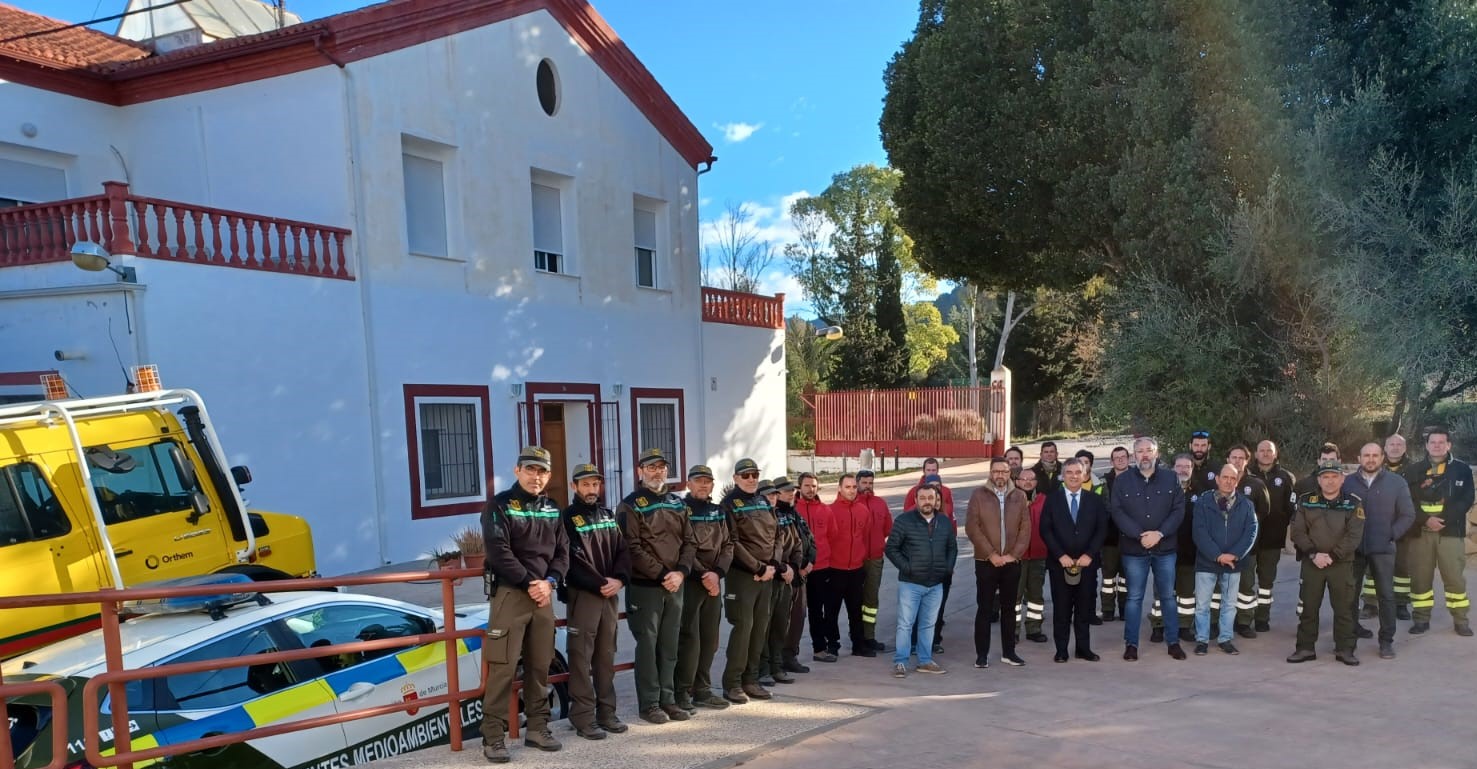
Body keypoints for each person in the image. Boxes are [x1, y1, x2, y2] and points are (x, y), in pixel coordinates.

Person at [479, 446, 570, 762]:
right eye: (530, 469)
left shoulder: (553, 509)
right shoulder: (500, 505)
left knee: (540, 665)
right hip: (511, 595)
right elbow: (498, 550)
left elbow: (562, 552)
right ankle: (493, 737)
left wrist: (551, 582)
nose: (536, 476)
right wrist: (529, 582)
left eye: (542, 471)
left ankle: (537, 728)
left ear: (549, 476)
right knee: (503, 668)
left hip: (543, 595)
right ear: (517, 470)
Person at [618, 448, 697, 723]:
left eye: (661, 467)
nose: (657, 472)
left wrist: (681, 573)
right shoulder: (630, 505)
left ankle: (669, 699)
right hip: (646, 587)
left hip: (676, 585)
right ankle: (650, 704)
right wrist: (664, 574)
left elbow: (690, 541)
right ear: (640, 471)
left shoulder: (678, 503)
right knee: (648, 646)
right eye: (650, 467)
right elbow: (632, 547)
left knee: (669, 645)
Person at [561, 464, 632, 740]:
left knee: (606, 656)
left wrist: (620, 579)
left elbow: (622, 550)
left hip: (610, 594)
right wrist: (600, 583)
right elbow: (572, 559)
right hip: (585, 595)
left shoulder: (607, 515)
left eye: (595, 484)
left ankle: (607, 713)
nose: (591, 490)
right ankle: (583, 718)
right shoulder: (566, 518)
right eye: (585, 485)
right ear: (574, 487)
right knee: (580, 657)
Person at [1109, 437, 1188, 661]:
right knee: (1134, 598)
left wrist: (1159, 533)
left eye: (1148, 451)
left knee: (1168, 597)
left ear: (1156, 453)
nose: (1144, 455)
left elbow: (1178, 510)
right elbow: (1117, 511)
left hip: (1165, 547)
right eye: (1140, 451)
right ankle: (1131, 645)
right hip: (1134, 549)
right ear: (1134, 455)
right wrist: (1139, 535)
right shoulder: (1122, 481)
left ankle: (1173, 643)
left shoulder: (1171, 478)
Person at [1288, 461, 1365, 665]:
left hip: (1341, 564)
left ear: (1342, 479)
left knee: (1344, 609)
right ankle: (1305, 648)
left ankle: (1345, 649)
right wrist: (1314, 554)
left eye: (1334, 477)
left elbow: (1354, 535)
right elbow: (1297, 531)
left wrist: (1332, 556)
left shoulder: (1353, 502)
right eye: (1325, 477)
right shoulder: (1307, 501)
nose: (1330, 481)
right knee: (1309, 608)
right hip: (1313, 564)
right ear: (1319, 480)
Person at [721, 462, 786, 703]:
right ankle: (733, 683)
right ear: (736, 477)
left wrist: (773, 566)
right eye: (746, 475)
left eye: (755, 475)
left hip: (766, 575)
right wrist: (757, 567)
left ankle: (751, 679)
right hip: (743, 576)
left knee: (760, 629)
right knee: (744, 629)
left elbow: (778, 535)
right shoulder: (729, 504)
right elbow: (732, 542)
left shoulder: (762, 501)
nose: (751, 479)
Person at [1343, 443, 1415, 658]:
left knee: (1386, 596)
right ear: (1359, 458)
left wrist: (1391, 535)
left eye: (1375, 455)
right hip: (1354, 549)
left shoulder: (1397, 482)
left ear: (1382, 458)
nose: (1371, 459)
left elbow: (1408, 515)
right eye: (1367, 455)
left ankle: (1386, 641)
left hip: (1383, 548)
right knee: (1349, 594)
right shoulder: (1347, 483)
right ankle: (1350, 632)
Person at [674, 465, 733, 712]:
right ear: (689, 484)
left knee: (710, 640)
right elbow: (683, 546)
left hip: (713, 583)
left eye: (708, 481)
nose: (703, 485)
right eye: (698, 481)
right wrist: (703, 575)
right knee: (690, 640)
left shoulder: (718, 511)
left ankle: (703, 689)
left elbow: (728, 544)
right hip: (691, 582)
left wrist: (717, 574)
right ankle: (682, 691)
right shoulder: (681, 510)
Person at [1404, 428, 1473, 636]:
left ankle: (1461, 620)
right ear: (1426, 446)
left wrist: (1443, 520)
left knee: (1454, 577)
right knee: (1420, 578)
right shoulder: (1414, 470)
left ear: (1449, 445)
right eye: (1432, 442)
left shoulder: (1462, 470)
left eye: (1441, 442)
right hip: (1420, 532)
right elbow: (1407, 501)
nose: (1437, 446)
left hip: (1450, 532)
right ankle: (1421, 619)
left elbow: (1466, 499)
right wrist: (1426, 520)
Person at [1039, 458, 1108, 662]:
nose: (1074, 476)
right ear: (1063, 475)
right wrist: (1061, 555)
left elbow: (1101, 529)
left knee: (1083, 608)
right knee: (1061, 609)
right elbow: (1046, 529)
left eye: (1078, 472)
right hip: (1060, 564)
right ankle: (1061, 650)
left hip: (1087, 564)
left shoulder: (1094, 500)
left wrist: (1090, 554)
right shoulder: (1052, 499)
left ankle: (1083, 648)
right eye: (1069, 472)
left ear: (1085, 474)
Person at [885, 484, 956, 677]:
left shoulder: (944, 521)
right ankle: (901, 662)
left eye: (930, 498)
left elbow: (952, 547)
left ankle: (925, 661)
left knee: (928, 624)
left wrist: (947, 569)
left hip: (935, 584)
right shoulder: (904, 521)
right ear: (915, 500)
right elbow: (891, 548)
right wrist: (908, 568)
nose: (927, 502)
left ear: (936, 500)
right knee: (905, 624)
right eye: (922, 498)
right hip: (911, 583)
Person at [967, 458, 1032, 668]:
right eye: (996, 471)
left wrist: (1014, 555)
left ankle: (1009, 652)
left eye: (1004, 471)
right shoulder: (978, 495)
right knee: (984, 609)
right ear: (990, 473)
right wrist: (991, 554)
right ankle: (981, 655)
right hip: (986, 562)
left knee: (1009, 609)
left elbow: (1025, 528)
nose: (1000, 475)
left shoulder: (1019, 496)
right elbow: (972, 527)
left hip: (1012, 562)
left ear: (1010, 473)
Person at [1191, 464, 1258, 656]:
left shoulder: (1246, 504)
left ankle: (1225, 639)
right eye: (1225, 477)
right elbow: (1199, 531)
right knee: (1202, 604)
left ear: (1237, 481)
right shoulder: (1203, 502)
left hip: (1233, 563)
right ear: (1218, 479)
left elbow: (1251, 531)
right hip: (1207, 562)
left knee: (1229, 604)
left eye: (1233, 478)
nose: (1229, 481)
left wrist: (1235, 555)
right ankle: (1202, 640)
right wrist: (1217, 555)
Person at [760, 476, 809, 686]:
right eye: (784, 491)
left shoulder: (791, 514)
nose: (790, 494)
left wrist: (796, 567)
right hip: (774, 575)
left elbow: (800, 541)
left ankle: (778, 665)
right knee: (767, 626)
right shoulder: (770, 514)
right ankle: (764, 668)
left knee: (784, 624)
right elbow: (768, 547)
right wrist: (783, 568)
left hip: (791, 573)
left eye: (792, 491)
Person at [1247, 440, 1298, 632]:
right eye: (1262, 450)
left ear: (1276, 454)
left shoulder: (1286, 477)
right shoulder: (1246, 475)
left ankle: (1262, 618)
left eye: (1270, 451)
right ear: (1256, 454)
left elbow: (1292, 508)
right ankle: (1244, 618)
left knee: (1266, 583)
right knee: (1246, 582)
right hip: (1248, 541)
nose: (1266, 454)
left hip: (1272, 540)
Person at [820, 474, 871, 658]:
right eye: (847, 487)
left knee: (856, 610)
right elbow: (825, 539)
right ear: (839, 488)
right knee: (831, 611)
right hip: (835, 570)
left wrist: (861, 558)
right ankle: (832, 645)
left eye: (853, 487)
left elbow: (864, 537)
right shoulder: (829, 510)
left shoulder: (863, 511)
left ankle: (859, 645)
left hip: (856, 570)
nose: (851, 490)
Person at [1224, 444, 1272, 640]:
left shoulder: (1256, 484)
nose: (1237, 461)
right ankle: (1218, 622)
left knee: (1246, 586)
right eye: (1233, 457)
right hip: (1223, 545)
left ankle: (1244, 622)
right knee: (1222, 586)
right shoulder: (1220, 482)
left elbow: (1264, 511)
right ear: (1228, 459)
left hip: (1246, 547)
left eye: (1241, 458)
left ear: (1247, 460)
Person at [1150, 454, 1198, 643]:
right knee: (1162, 592)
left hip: (1189, 552)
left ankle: (1184, 626)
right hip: (1164, 550)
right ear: (1173, 469)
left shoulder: (1200, 492)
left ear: (1192, 470)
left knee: (1186, 594)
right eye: (1179, 466)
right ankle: (1158, 626)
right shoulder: (1161, 490)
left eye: (1187, 467)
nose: (1183, 470)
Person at [791, 473, 832, 666]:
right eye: (807, 485)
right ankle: (791, 654)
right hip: (796, 570)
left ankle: (820, 649)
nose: (811, 489)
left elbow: (832, 536)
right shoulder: (791, 510)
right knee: (795, 614)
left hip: (820, 567)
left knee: (817, 611)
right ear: (799, 487)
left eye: (814, 486)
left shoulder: (825, 510)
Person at [856, 470, 895, 651]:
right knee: (854, 599)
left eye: (870, 483)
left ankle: (869, 636)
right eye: (864, 483)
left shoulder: (880, 504)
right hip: (855, 560)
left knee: (871, 601)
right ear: (857, 483)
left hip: (875, 560)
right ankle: (856, 636)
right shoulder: (852, 504)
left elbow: (889, 529)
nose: (867, 486)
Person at [1095, 446, 1132, 622]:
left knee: (1126, 577)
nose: (1120, 460)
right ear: (1111, 461)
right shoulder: (1103, 481)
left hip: (1130, 537)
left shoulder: (1137, 478)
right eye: (1116, 458)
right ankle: (1108, 609)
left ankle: (1124, 609)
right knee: (1108, 577)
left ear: (1129, 458)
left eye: (1123, 457)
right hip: (1109, 538)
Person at [1015, 467, 1050, 643]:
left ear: (1036, 482)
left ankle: (1034, 629)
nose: (1027, 482)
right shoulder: (1010, 500)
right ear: (1017, 481)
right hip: (1016, 557)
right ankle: (1012, 631)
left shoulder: (1044, 501)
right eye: (1023, 479)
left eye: (1031, 479)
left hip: (1039, 556)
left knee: (1036, 595)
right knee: (1015, 595)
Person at [1384, 434, 1414, 619]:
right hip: (1378, 526)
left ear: (1405, 448)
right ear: (1385, 448)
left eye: (1399, 445)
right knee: (1372, 568)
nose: (1395, 448)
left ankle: (1401, 604)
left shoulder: (1414, 470)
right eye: (1391, 444)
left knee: (1402, 568)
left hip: (1403, 527)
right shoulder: (1375, 466)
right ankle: (1370, 604)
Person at [1188, 429, 1217, 494]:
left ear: (1209, 447)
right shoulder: (1182, 467)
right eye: (1196, 445)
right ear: (1190, 446)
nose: (1199, 449)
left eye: (1203, 445)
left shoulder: (1217, 469)